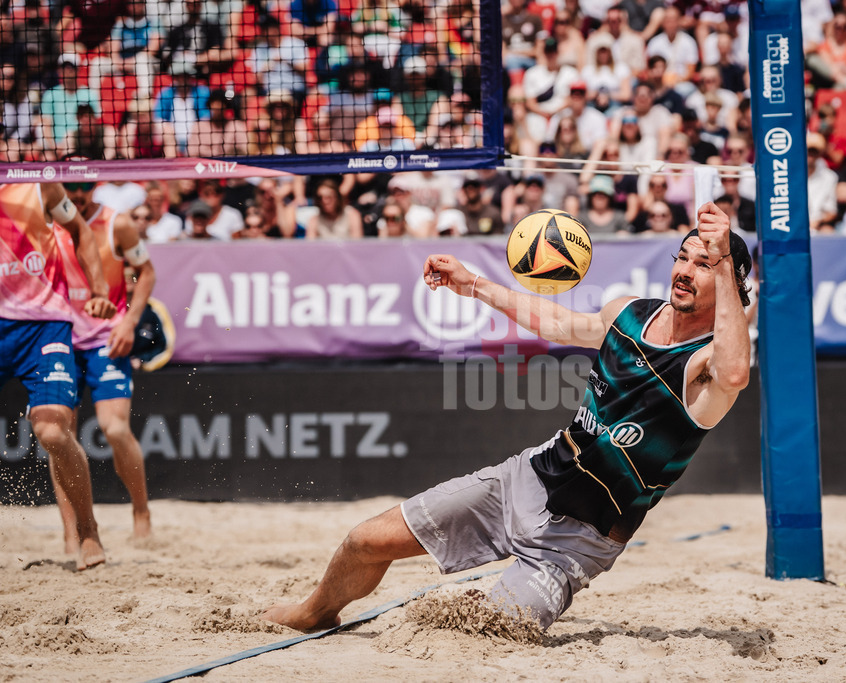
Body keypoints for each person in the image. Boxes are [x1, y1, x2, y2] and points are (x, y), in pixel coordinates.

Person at [263, 201, 752, 632]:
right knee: (364, 540)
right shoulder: (629, 313)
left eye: (705, 264)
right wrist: (473, 285)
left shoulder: (706, 365)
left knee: (488, 627)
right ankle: (313, 612)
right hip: (526, 480)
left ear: (729, 279)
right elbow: (558, 322)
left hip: (579, 540)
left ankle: (511, 590)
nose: (686, 270)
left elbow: (734, 372)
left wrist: (726, 254)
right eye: (683, 257)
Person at [0, 181, 116, 570]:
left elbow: (81, 230)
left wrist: (99, 287)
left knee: (51, 430)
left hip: (44, 323)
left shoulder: (38, 186)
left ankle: (87, 531)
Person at [50, 182, 157, 544]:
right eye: (71, 187)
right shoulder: (44, 222)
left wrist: (129, 321)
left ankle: (141, 511)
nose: (77, 193)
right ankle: (73, 531)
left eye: (83, 186)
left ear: (93, 186)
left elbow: (147, 271)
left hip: (104, 338)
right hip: (58, 336)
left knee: (114, 429)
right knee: (58, 434)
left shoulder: (117, 223)